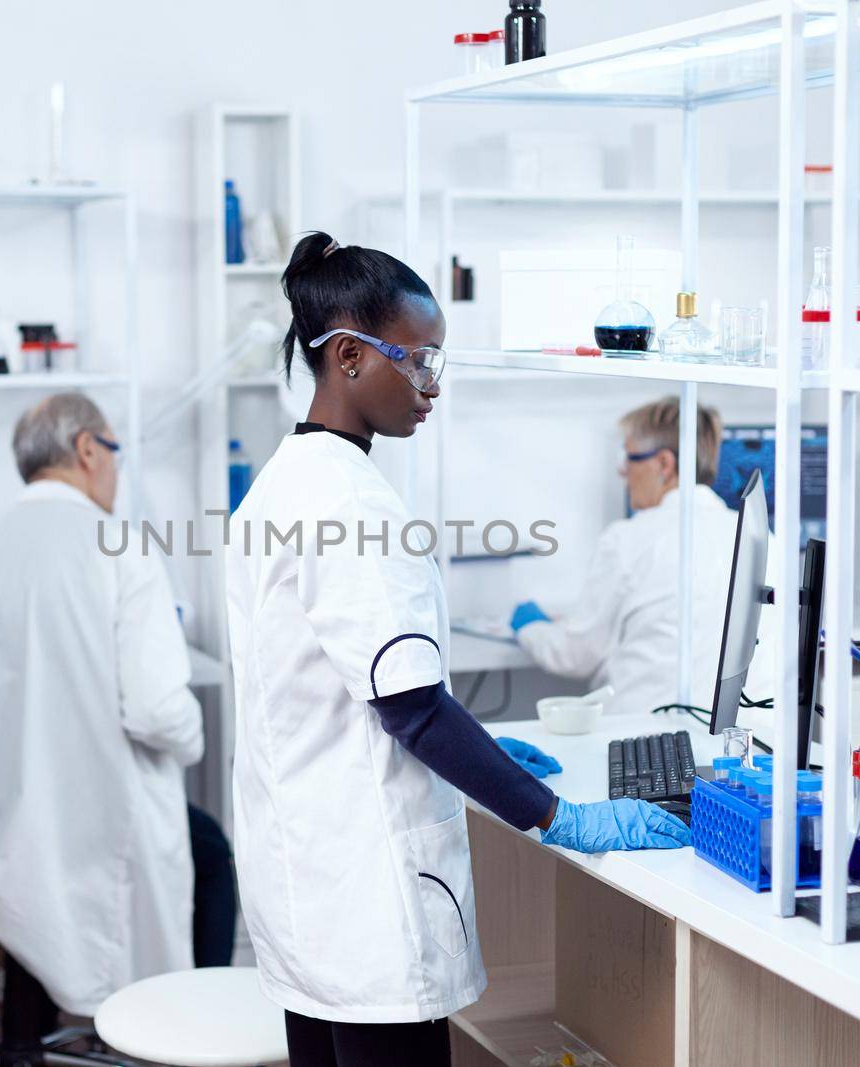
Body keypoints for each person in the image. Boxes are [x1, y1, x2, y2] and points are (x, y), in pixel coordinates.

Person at [224, 233, 690, 1067]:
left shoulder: (283, 482)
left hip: (306, 872)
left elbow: (354, 685)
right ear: (349, 357)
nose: (431, 387)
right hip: (364, 891)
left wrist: (475, 750)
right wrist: (560, 817)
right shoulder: (354, 503)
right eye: (420, 361)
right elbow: (411, 708)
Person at [0, 393, 233, 1067]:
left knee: (37, 880)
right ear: (89, 450)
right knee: (211, 852)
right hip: (87, 827)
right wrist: (193, 739)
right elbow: (156, 710)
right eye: (116, 452)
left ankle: (22, 1047)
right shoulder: (117, 547)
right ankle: (200, 1040)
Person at [509, 397, 740, 715]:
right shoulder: (757, 537)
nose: (622, 470)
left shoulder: (628, 539)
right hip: (739, 742)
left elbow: (575, 656)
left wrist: (529, 626)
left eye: (630, 457)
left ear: (663, 464)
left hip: (646, 732)